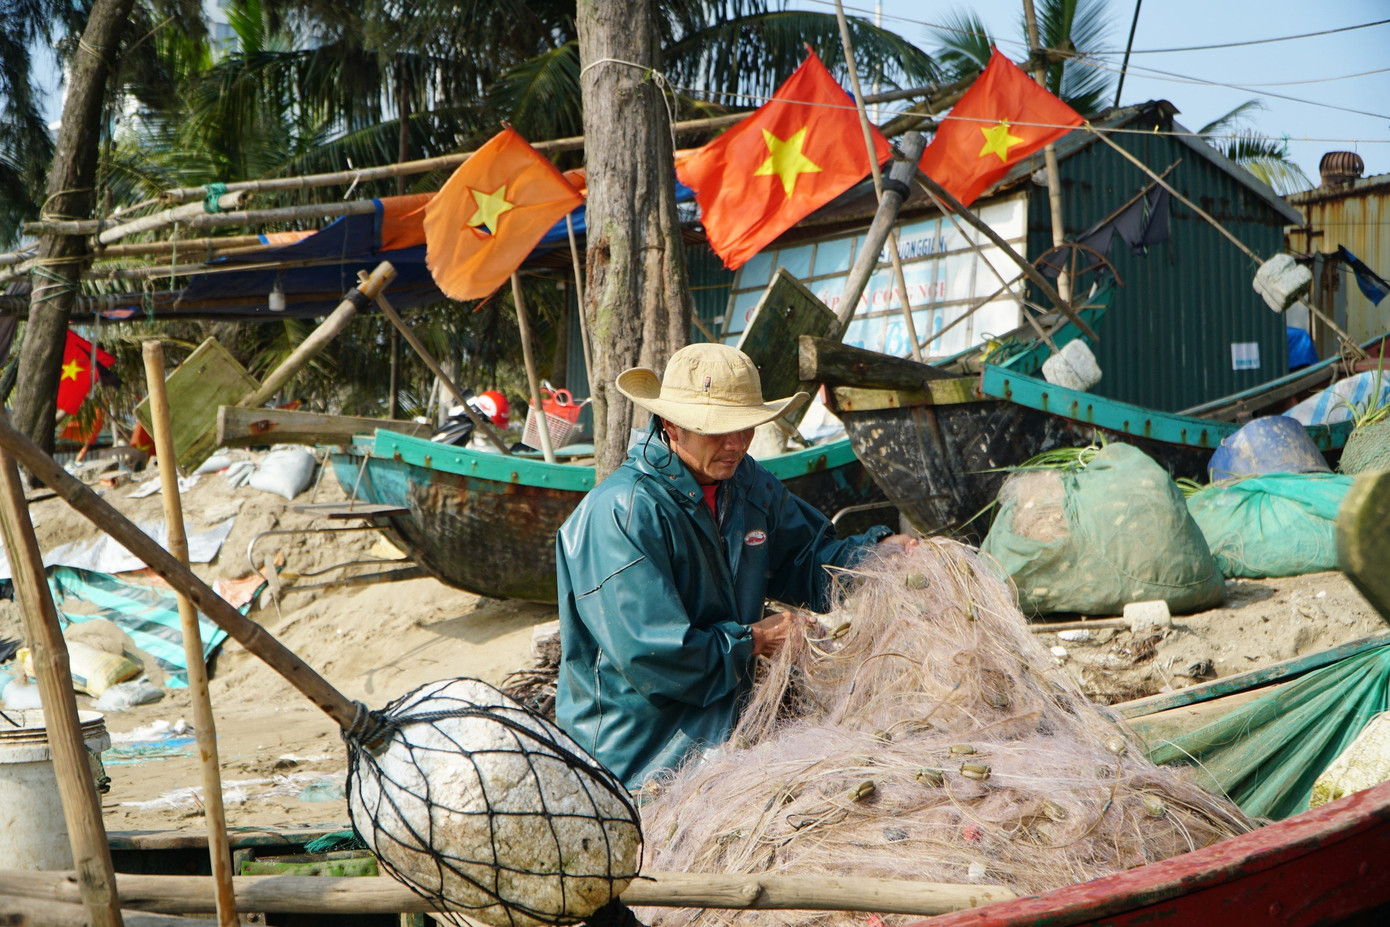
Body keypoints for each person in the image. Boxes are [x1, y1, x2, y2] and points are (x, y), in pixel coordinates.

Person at [554, 343, 915, 788]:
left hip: (723, 734)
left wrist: (872, 557)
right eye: (718, 431)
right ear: (671, 424)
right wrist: (756, 639)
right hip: (637, 757)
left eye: (744, 429)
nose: (736, 445)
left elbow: (807, 558)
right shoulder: (621, 514)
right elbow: (654, 656)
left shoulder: (747, 483)